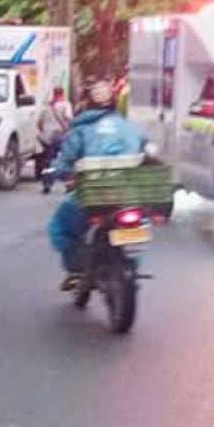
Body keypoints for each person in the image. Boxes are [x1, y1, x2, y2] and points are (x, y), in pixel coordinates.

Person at [46, 78, 148, 292]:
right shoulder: (129, 128)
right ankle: (132, 265)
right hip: (128, 194)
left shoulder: (81, 130)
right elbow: (145, 153)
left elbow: (65, 161)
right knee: (140, 224)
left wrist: (60, 172)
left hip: (92, 195)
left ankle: (76, 270)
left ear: (85, 104)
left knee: (60, 228)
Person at [35, 84, 73, 193]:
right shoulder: (66, 105)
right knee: (66, 160)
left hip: (48, 137)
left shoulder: (47, 107)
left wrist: (44, 133)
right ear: (63, 93)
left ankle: (47, 184)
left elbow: (39, 123)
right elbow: (69, 118)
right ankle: (68, 184)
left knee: (48, 161)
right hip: (61, 135)